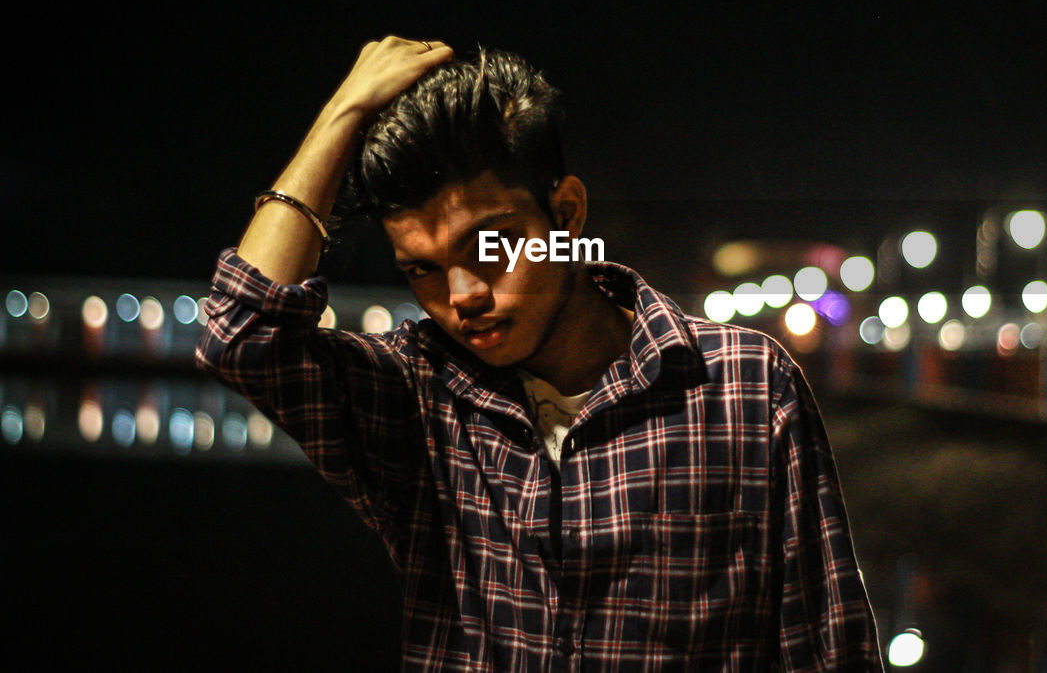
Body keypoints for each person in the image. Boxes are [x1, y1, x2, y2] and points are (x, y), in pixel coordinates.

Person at [195, 35, 884, 671]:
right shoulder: (420, 396)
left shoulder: (742, 386)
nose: (462, 295)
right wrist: (345, 111)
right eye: (423, 270)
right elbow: (242, 332)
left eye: (490, 244)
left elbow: (828, 645)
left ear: (568, 216)